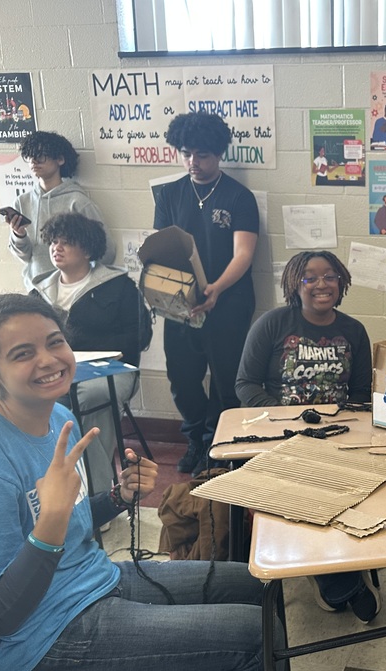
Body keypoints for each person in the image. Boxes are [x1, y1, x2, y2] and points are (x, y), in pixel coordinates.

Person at [0, 293, 273, 671]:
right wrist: (49, 523)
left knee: (259, 585)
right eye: (23, 353)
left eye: (55, 342)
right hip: (41, 652)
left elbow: (69, 524)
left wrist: (116, 498)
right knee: (254, 637)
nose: (48, 360)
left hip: (94, 585)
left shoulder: (57, 418)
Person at [235, 250, 380, 622]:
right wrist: (290, 420)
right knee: (304, 490)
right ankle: (337, 577)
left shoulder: (354, 330)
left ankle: (343, 564)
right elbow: (246, 384)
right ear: (294, 284)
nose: (321, 284)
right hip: (283, 438)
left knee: (356, 484)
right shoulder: (272, 324)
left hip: (338, 434)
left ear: (341, 282)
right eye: (310, 277)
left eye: (330, 276)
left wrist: (340, 429)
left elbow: (361, 394)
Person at [154, 111, 260, 476]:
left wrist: (215, 289)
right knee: (182, 378)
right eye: (186, 154)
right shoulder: (169, 194)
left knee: (226, 380)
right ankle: (195, 437)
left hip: (228, 302)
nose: (192, 162)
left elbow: (243, 254)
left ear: (218, 154)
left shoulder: (239, 196)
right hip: (180, 304)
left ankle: (217, 442)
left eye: (201, 155)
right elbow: (163, 247)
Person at [31, 212, 148, 495]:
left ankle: (97, 495)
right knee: (24, 396)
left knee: (90, 396)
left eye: (66, 242)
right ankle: (43, 490)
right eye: (53, 241)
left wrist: (79, 342)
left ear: (86, 250)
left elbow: (139, 337)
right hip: (56, 372)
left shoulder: (118, 286)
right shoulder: (39, 292)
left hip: (110, 370)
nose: (56, 248)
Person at [5, 131, 113, 290]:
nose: (34, 161)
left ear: (60, 159)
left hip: (74, 289)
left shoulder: (77, 202)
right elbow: (25, 256)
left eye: (40, 156)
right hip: (36, 289)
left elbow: (107, 252)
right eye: (29, 156)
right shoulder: (22, 202)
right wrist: (19, 235)